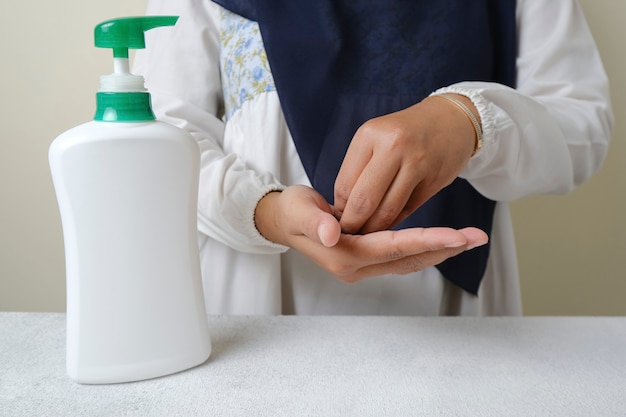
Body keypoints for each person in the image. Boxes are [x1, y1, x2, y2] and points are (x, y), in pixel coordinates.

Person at [134, 0, 613, 316]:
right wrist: (265, 211)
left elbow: (582, 124)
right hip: (262, 303)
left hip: (454, 324)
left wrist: (468, 119)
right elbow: (158, 136)